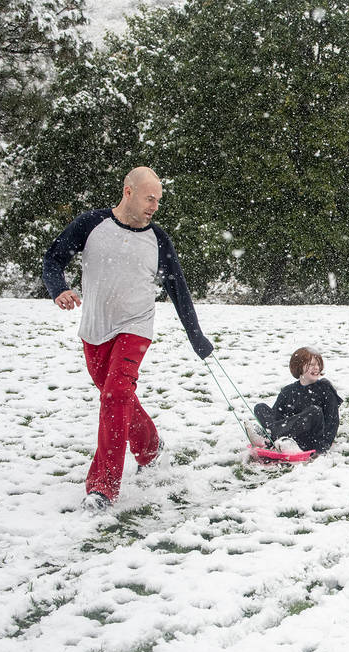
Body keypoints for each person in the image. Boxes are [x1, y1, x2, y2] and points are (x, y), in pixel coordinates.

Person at [42, 166, 214, 512]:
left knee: (116, 392)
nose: (155, 205)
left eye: (159, 200)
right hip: (94, 328)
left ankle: (103, 487)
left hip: (136, 327)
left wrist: (196, 337)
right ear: (128, 192)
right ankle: (150, 447)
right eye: (150, 198)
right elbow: (53, 259)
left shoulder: (158, 239)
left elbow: (177, 289)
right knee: (117, 397)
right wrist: (58, 289)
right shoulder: (91, 225)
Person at [251, 347, 343, 454]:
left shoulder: (325, 389)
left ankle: (270, 436)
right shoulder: (288, 391)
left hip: (311, 441)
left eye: (318, 364)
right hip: (289, 437)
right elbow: (277, 417)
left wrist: (323, 446)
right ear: (299, 366)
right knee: (260, 407)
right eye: (311, 364)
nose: (316, 368)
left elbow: (332, 422)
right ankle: (274, 438)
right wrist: (275, 425)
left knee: (315, 411)